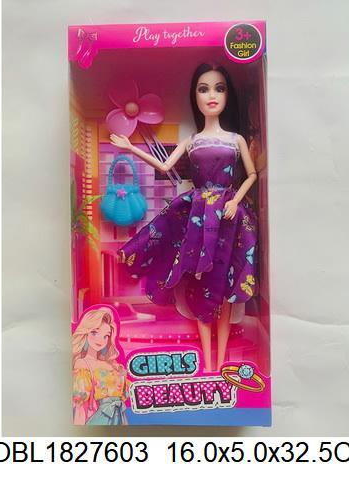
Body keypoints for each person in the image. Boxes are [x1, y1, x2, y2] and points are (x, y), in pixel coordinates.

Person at [111, 63, 258, 372]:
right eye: (204, 89)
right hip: (200, 215)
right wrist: (130, 148)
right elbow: (165, 167)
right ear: (195, 96)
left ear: (227, 95)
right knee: (201, 285)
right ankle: (208, 366)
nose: (212, 95)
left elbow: (252, 175)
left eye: (219, 88)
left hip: (229, 216)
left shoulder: (236, 140)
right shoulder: (193, 141)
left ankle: (221, 367)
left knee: (225, 286)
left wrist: (236, 200)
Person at [72, 307, 128, 425]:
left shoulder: (112, 364)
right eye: (94, 332)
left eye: (106, 336)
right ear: (85, 333)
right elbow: (80, 407)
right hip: (99, 419)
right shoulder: (82, 364)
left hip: (119, 418)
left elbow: (125, 396)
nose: (100, 340)